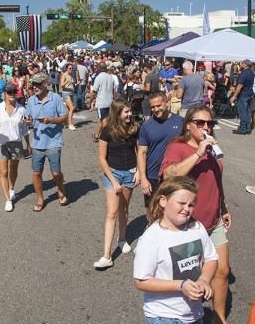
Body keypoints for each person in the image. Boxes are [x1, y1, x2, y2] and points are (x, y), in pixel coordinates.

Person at [160, 105, 231, 323]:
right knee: (191, 277)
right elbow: (168, 175)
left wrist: (224, 207)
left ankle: (219, 319)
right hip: (188, 224)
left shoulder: (212, 149)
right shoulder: (178, 147)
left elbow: (214, 181)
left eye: (209, 123)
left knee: (222, 271)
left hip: (214, 220)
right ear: (189, 125)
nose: (205, 127)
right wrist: (198, 152)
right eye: (200, 123)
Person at [134, 176, 218, 324]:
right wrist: (180, 285)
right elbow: (142, 281)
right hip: (163, 316)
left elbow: (211, 258)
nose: (187, 209)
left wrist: (204, 280)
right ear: (163, 201)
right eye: (181, 203)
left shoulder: (197, 228)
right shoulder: (152, 238)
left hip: (194, 314)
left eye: (191, 204)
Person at [94, 99, 140, 269]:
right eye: (126, 112)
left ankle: (122, 239)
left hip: (129, 173)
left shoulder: (134, 128)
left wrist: (140, 171)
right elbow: (101, 158)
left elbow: (139, 151)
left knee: (124, 209)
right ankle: (107, 255)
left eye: (130, 111)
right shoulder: (107, 131)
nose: (130, 114)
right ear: (117, 113)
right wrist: (113, 180)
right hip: (112, 174)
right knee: (112, 212)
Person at [24, 72, 68, 212]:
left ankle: (60, 190)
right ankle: (40, 199)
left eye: (37, 84)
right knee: (36, 173)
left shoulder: (55, 98)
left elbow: (64, 117)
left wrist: (51, 121)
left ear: (45, 84)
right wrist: (28, 121)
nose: (34, 87)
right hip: (37, 143)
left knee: (56, 173)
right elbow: (27, 116)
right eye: (33, 84)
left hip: (53, 142)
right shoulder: (31, 100)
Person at [0, 83, 31, 212]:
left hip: (16, 143)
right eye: (9, 92)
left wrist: (28, 144)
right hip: (1, 144)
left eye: (14, 92)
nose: (12, 94)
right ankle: (7, 200)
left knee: (13, 168)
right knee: (4, 172)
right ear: (4, 95)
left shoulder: (21, 109)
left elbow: (25, 129)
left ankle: (11, 188)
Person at [137, 91, 183, 207]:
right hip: (153, 177)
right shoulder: (146, 126)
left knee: (174, 213)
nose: (155, 109)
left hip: (175, 176)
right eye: (153, 107)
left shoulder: (181, 122)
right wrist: (143, 178)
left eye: (158, 106)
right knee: (153, 215)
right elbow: (142, 153)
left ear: (167, 103)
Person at [89, 62, 114, 141]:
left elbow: (94, 91)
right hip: (109, 101)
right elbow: (114, 91)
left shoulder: (99, 77)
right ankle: (96, 135)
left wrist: (90, 101)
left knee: (104, 121)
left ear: (99, 68)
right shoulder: (110, 77)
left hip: (101, 102)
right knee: (103, 120)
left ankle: (105, 137)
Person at [229, 59, 254, 135]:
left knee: (243, 112)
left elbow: (240, 86)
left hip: (243, 95)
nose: (240, 64)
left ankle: (243, 129)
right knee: (247, 112)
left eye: (242, 63)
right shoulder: (251, 73)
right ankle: (247, 128)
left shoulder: (244, 74)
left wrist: (234, 96)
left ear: (245, 64)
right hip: (250, 94)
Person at [60, 63, 76, 130]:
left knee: (68, 109)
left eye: (72, 68)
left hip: (71, 93)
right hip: (66, 93)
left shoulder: (70, 75)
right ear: (66, 68)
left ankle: (66, 123)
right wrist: (67, 81)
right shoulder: (64, 75)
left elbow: (72, 84)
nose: (71, 69)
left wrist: (74, 84)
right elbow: (61, 85)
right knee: (72, 108)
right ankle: (70, 124)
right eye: (69, 68)